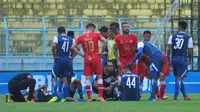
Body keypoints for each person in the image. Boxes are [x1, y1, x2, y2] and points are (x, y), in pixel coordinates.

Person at [72, 23, 107, 102]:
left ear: (87, 28)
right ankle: (100, 97)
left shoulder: (81, 37)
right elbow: (106, 41)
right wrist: (102, 51)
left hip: (87, 58)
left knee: (88, 78)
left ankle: (89, 98)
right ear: (92, 27)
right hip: (96, 57)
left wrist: (81, 54)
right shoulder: (96, 34)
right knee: (99, 77)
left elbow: (72, 47)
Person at [131, 36, 164, 101]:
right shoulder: (147, 45)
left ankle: (152, 97)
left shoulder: (140, 43)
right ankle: (157, 96)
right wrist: (149, 69)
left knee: (154, 77)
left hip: (155, 57)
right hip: (160, 56)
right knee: (155, 77)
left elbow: (139, 52)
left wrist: (133, 62)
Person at [167, 21, 193, 100]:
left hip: (174, 58)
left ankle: (185, 96)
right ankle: (175, 97)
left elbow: (168, 49)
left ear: (179, 26)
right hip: (182, 58)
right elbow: (190, 51)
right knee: (179, 78)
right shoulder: (188, 38)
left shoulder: (172, 36)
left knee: (179, 78)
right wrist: (189, 60)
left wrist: (168, 59)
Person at [49, 26, 74, 102]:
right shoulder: (71, 39)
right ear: (65, 32)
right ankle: (64, 97)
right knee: (65, 78)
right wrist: (71, 57)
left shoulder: (57, 37)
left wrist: (54, 56)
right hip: (67, 60)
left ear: (58, 32)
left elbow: (53, 46)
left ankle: (54, 96)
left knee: (54, 77)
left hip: (59, 59)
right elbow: (77, 49)